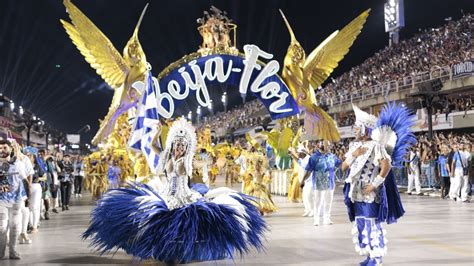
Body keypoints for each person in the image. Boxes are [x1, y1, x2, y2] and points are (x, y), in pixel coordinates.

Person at [83, 118, 267, 263]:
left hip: (182, 195)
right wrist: (156, 133)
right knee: (152, 217)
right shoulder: (166, 155)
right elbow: (153, 147)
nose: (179, 148)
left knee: (183, 222)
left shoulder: (187, 161)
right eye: (177, 144)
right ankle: (161, 248)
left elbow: (201, 162)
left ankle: (181, 250)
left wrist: (212, 162)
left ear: (186, 147)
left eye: (182, 145)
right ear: (173, 144)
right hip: (166, 194)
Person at [341, 104, 414, 266]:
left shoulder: (376, 146)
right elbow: (343, 167)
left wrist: (374, 185)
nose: (354, 129)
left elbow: (386, 165)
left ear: (365, 129)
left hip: (370, 194)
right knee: (360, 224)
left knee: (372, 224)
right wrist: (354, 155)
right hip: (356, 193)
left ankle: (377, 258)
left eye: (356, 127)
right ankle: (368, 255)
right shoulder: (353, 146)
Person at [0, 139, 26, 259]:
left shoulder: (19, 164)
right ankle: (1, 252)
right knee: (2, 226)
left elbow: (25, 180)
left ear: (10, 149)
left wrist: (28, 198)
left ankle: (13, 251)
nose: (2, 150)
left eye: (4, 148)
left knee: (15, 226)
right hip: (1, 200)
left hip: (16, 199)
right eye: (0, 148)